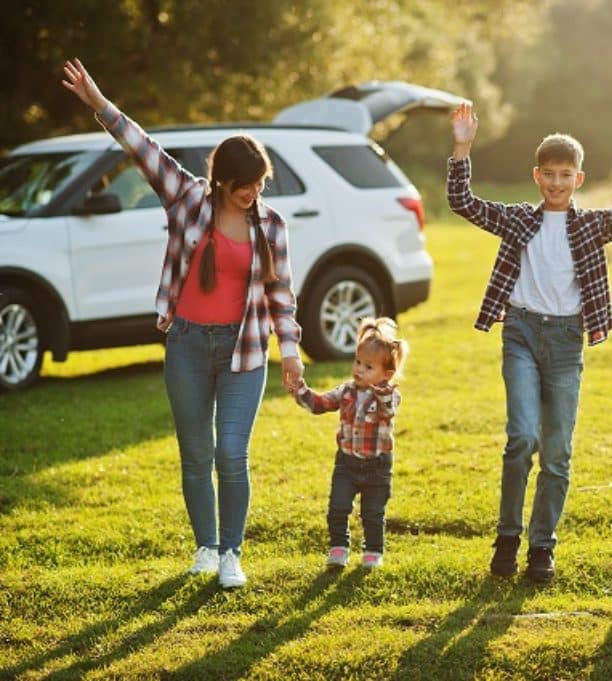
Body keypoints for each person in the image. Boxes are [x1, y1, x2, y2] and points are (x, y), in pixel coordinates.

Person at [62, 59, 304, 588]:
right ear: (223, 180)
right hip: (189, 344)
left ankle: (233, 554)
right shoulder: (188, 197)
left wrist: (291, 354)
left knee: (231, 453)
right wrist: (100, 103)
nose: (254, 193)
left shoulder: (273, 226)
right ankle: (206, 547)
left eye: (260, 184)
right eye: (245, 184)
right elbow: (142, 147)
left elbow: (280, 295)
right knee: (195, 453)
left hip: (244, 352)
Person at [447, 101, 612, 582]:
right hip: (521, 332)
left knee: (558, 451)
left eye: (566, 175)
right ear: (536, 175)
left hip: (567, 341)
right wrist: (462, 146)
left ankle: (541, 548)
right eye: (550, 174)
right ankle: (507, 537)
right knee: (522, 438)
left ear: (579, 179)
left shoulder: (589, 225)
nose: (557, 183)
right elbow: (464, 203)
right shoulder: (519, 219)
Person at [290, 318, 408, 569]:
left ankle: (373, 552)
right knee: (338, 507)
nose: (359, 370)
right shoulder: (346, 391)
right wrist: (301, 391)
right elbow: (320, 404)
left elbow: (388, 410)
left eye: (368, 366)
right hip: (346, 463)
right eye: (357, 362)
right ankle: (338, 548)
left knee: (372, 513)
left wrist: (383, 389)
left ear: (386, 374)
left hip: (377, 466)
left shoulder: (390, 395)